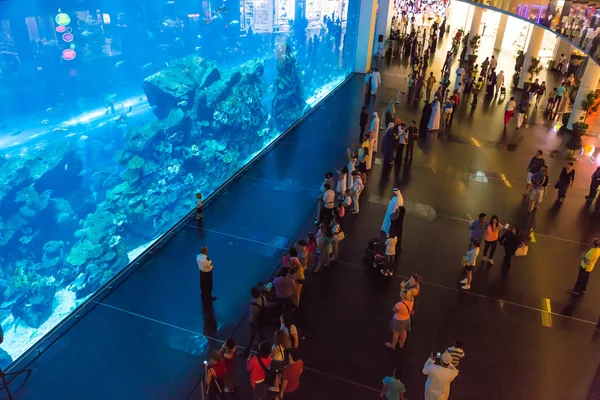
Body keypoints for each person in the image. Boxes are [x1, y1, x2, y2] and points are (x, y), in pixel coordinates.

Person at [244, 287, 268, 355]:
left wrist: (252, 324)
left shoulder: (253, 305)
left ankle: (246, 350)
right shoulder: (263, 298)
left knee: (252, 337)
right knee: (262, 334)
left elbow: (252, 318)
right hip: (263, 319)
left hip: (256, 322)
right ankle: (261, 347)